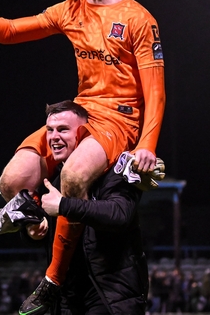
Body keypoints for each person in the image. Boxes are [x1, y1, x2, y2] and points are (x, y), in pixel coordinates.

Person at [0, 0, 166, 313]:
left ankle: (53, 280)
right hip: (83, 110)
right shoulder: (70, 10)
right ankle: (34, 217)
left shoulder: (138, 18)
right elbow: (9, 31)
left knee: (72, 177)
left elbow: (156, 91)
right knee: (12, 180)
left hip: (120, 118)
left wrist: (147, 145)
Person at [26, 100, 155, 314]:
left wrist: (64, 205)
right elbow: (45, 240)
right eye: (50, 130)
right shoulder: (53, 180)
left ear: (85, 134)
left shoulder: (117, 169)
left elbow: (120, 215)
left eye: (63, 130)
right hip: (68, 298)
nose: (54, 137)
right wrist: (31, 231)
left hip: (111, 297)